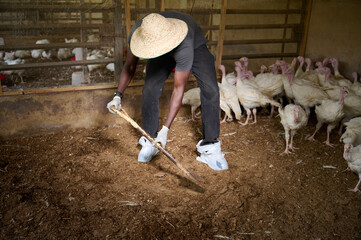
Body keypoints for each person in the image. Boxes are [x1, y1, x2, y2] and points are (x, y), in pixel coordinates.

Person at [107, 11, 228, 171]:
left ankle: (210, 146)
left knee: (211, 88)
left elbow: (178, 88)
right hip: (156, 44)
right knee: (150, 89)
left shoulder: (185, 44)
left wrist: (165, 131)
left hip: (193, 45)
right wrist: (118, 95)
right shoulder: (138, 33)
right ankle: (150, 139)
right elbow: (130, 66)